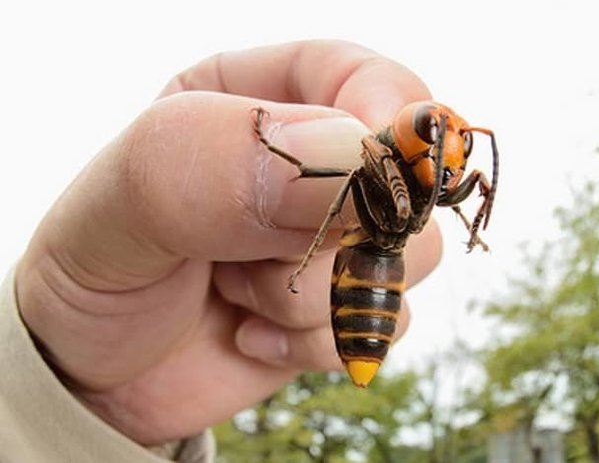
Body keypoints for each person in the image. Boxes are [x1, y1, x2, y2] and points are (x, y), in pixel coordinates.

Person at [0, 40, 443, 462]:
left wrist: (79, 411)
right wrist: (64, 398)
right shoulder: (373, 150)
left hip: (375, 272)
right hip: (367, 275)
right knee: (346, 177)